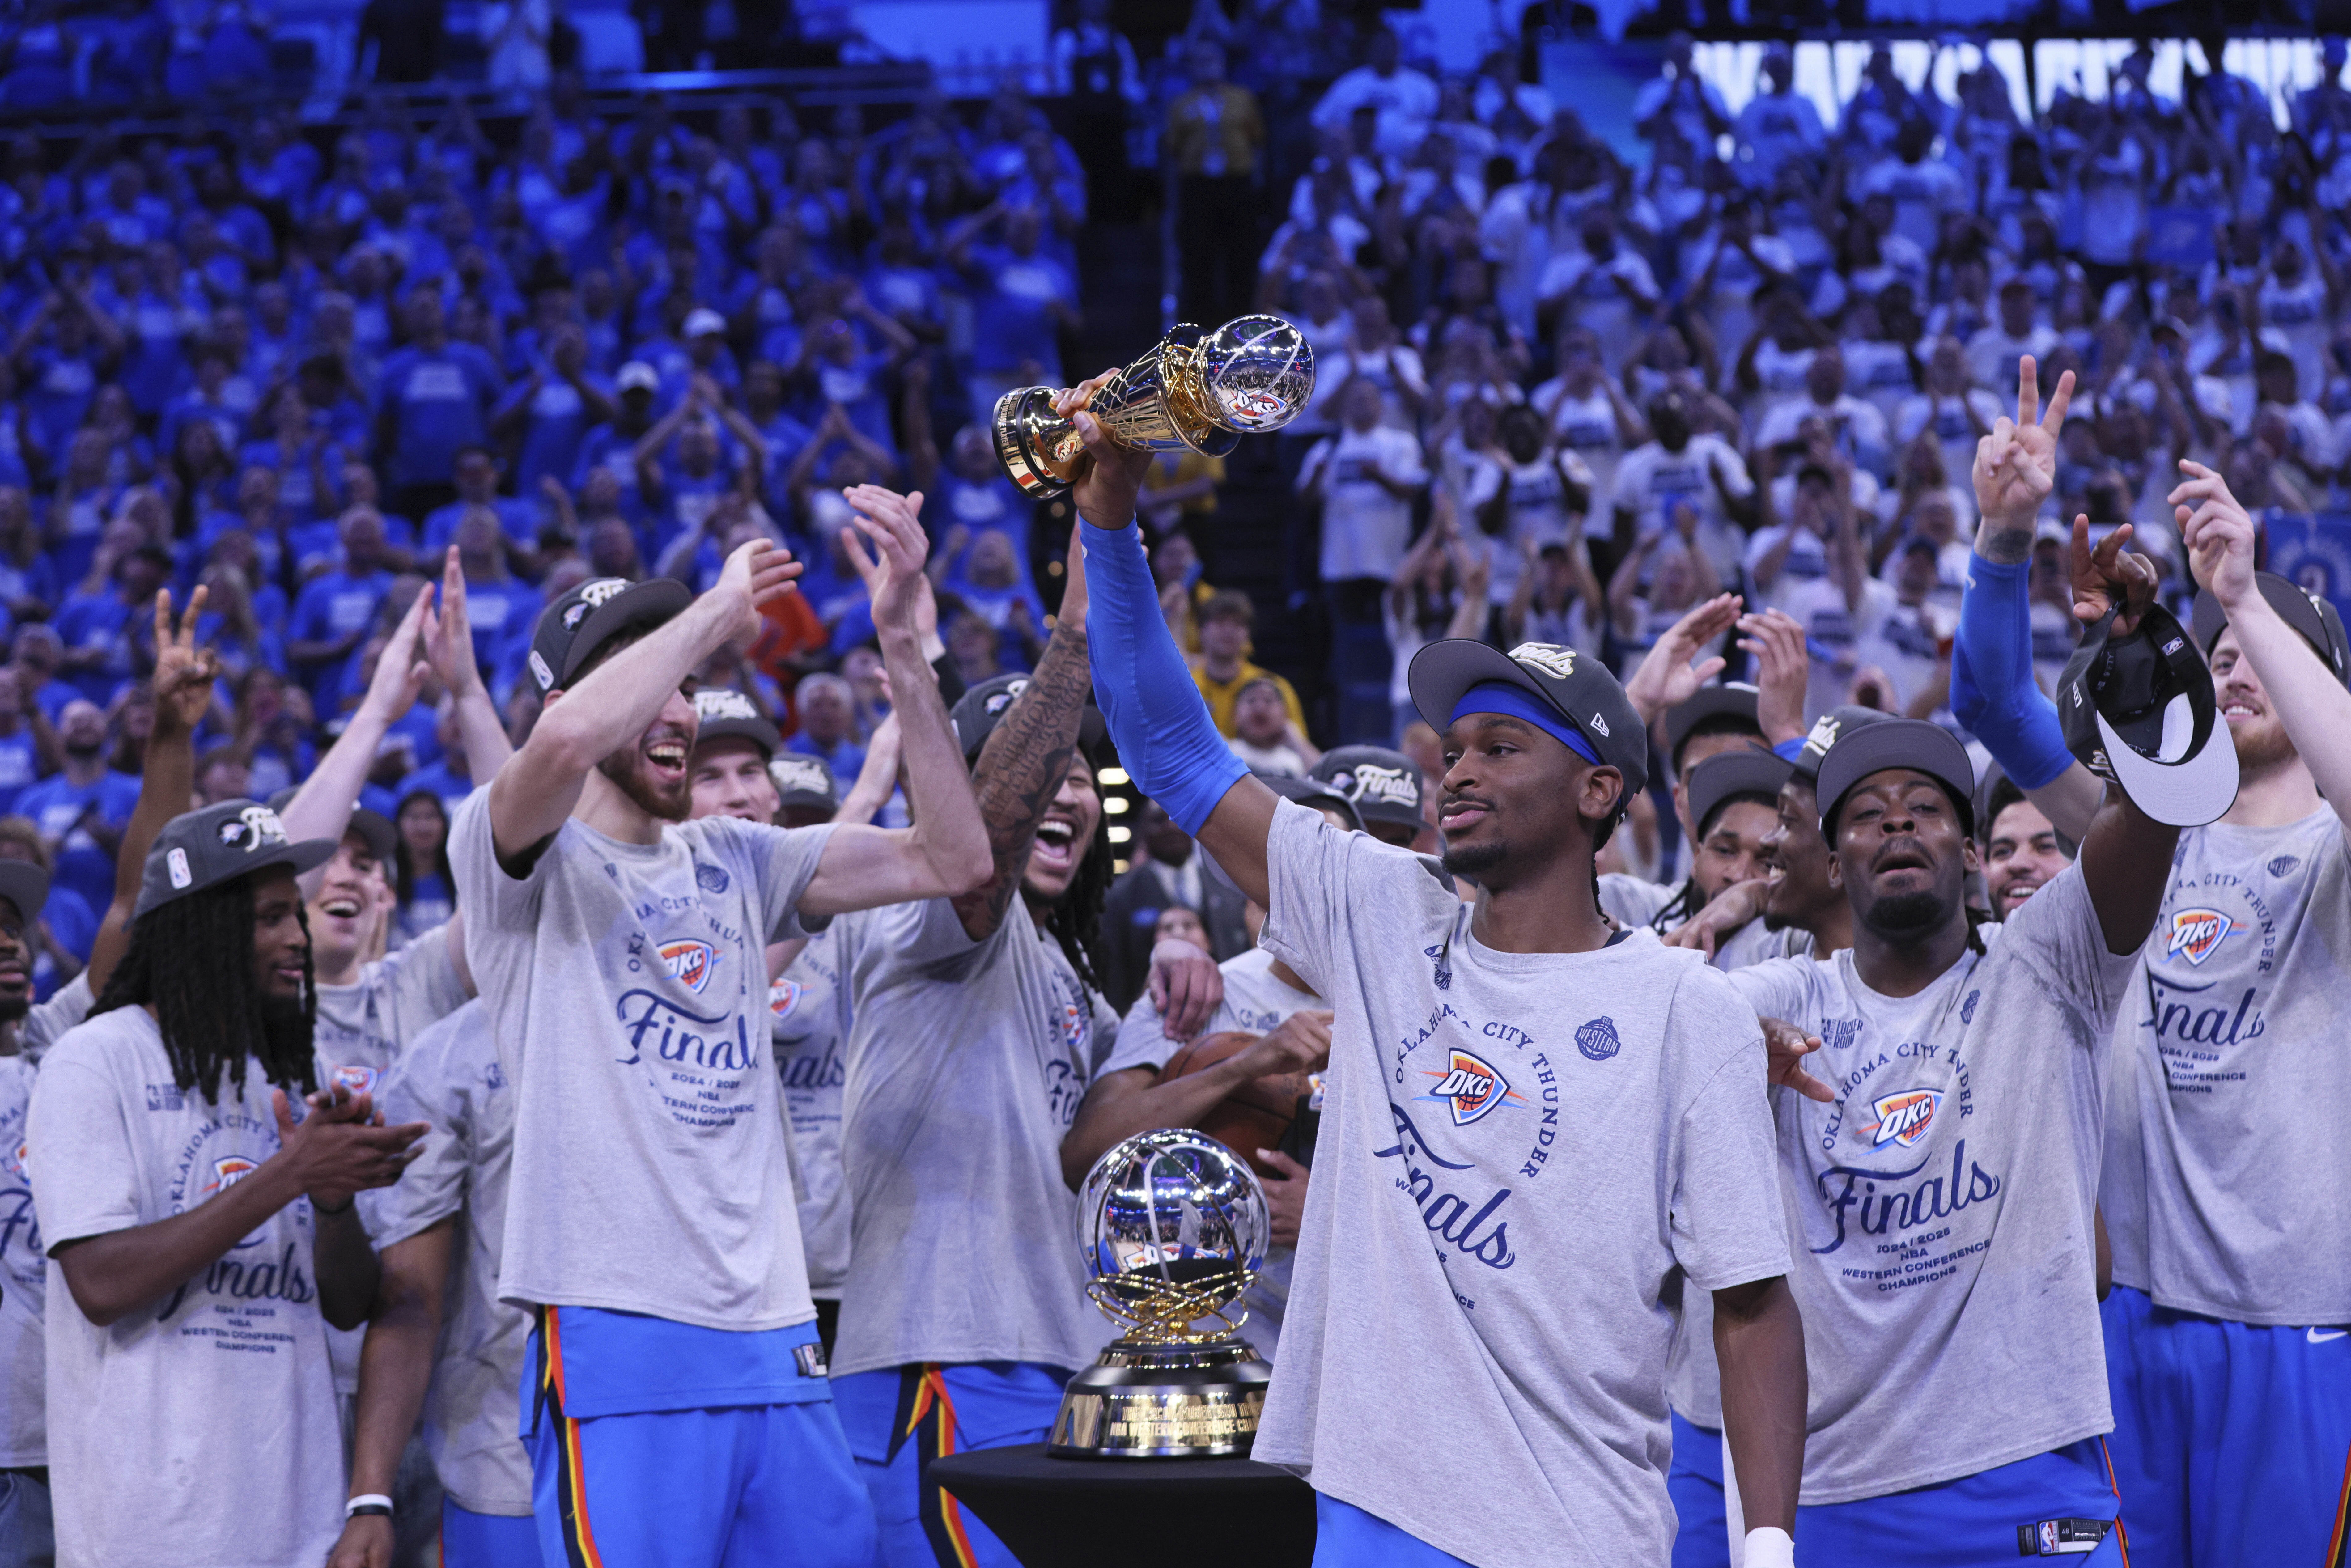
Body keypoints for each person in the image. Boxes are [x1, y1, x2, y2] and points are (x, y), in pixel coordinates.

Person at [1072, 371, 1807, 1567]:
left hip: (1583, 1531)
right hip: (1376, 1515)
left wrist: (1766, 1547)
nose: (1454, 772)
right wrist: (1109, 518)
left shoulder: (1685, 1007)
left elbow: (1751, 1298)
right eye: (1450, 749)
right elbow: (1166, 745)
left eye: (1500, 748)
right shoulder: (1379, 915)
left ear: (1597, 795)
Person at [452, 485, 990, 1568]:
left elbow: (955, 861)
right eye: (649, 679)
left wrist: (902, 646)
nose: (682, 709)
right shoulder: (515, 854)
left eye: (690, 684)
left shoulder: (739, 859)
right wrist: (711, 606)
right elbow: (562, 740)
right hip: (617, 1337)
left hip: (779, 1339)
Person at [1715, 361, 2184, 1564]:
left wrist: (2058, 576)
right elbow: (1622, 1022)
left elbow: (2158, 813)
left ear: (1975, 854)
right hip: (1833, 1483)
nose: (1900, 824)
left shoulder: (2050, 962)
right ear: (1827, 852)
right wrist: (1710, 1030)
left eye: (1928, 806)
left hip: (2026, 1470)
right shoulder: (1777, 1001)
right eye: (1868, 812)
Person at [1952, 391, 2351, 1567]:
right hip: (2120, 1325)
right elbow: (1991, 708)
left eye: (2261, 659)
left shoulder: (2330, 852)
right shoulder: (2146, 837)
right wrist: (2000, 539)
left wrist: (2238, 590)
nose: (2232, 669)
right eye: (2221, 658)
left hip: (2296, 1321)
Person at [28, 796, 430, 1568]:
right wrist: (290, 1173)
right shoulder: (95, 1060)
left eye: (295, 916)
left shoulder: (281, 1075)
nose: (295, 937)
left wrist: (334, 1197)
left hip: (299, 1525)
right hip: (148, 1535)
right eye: (268, 917)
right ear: (199, 929)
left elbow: (347, 1305)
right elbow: (101, 1282)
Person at [1063, 772, 1356, 1363]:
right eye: (1289, 862)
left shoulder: (1402, 1003)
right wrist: (1243, 1066)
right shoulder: (1195, 990)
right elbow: (1085, 1158)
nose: (1307, 880)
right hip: (1203, 1338)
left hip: (1351, 1345)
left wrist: (1332, 1210)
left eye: (1328, 858)